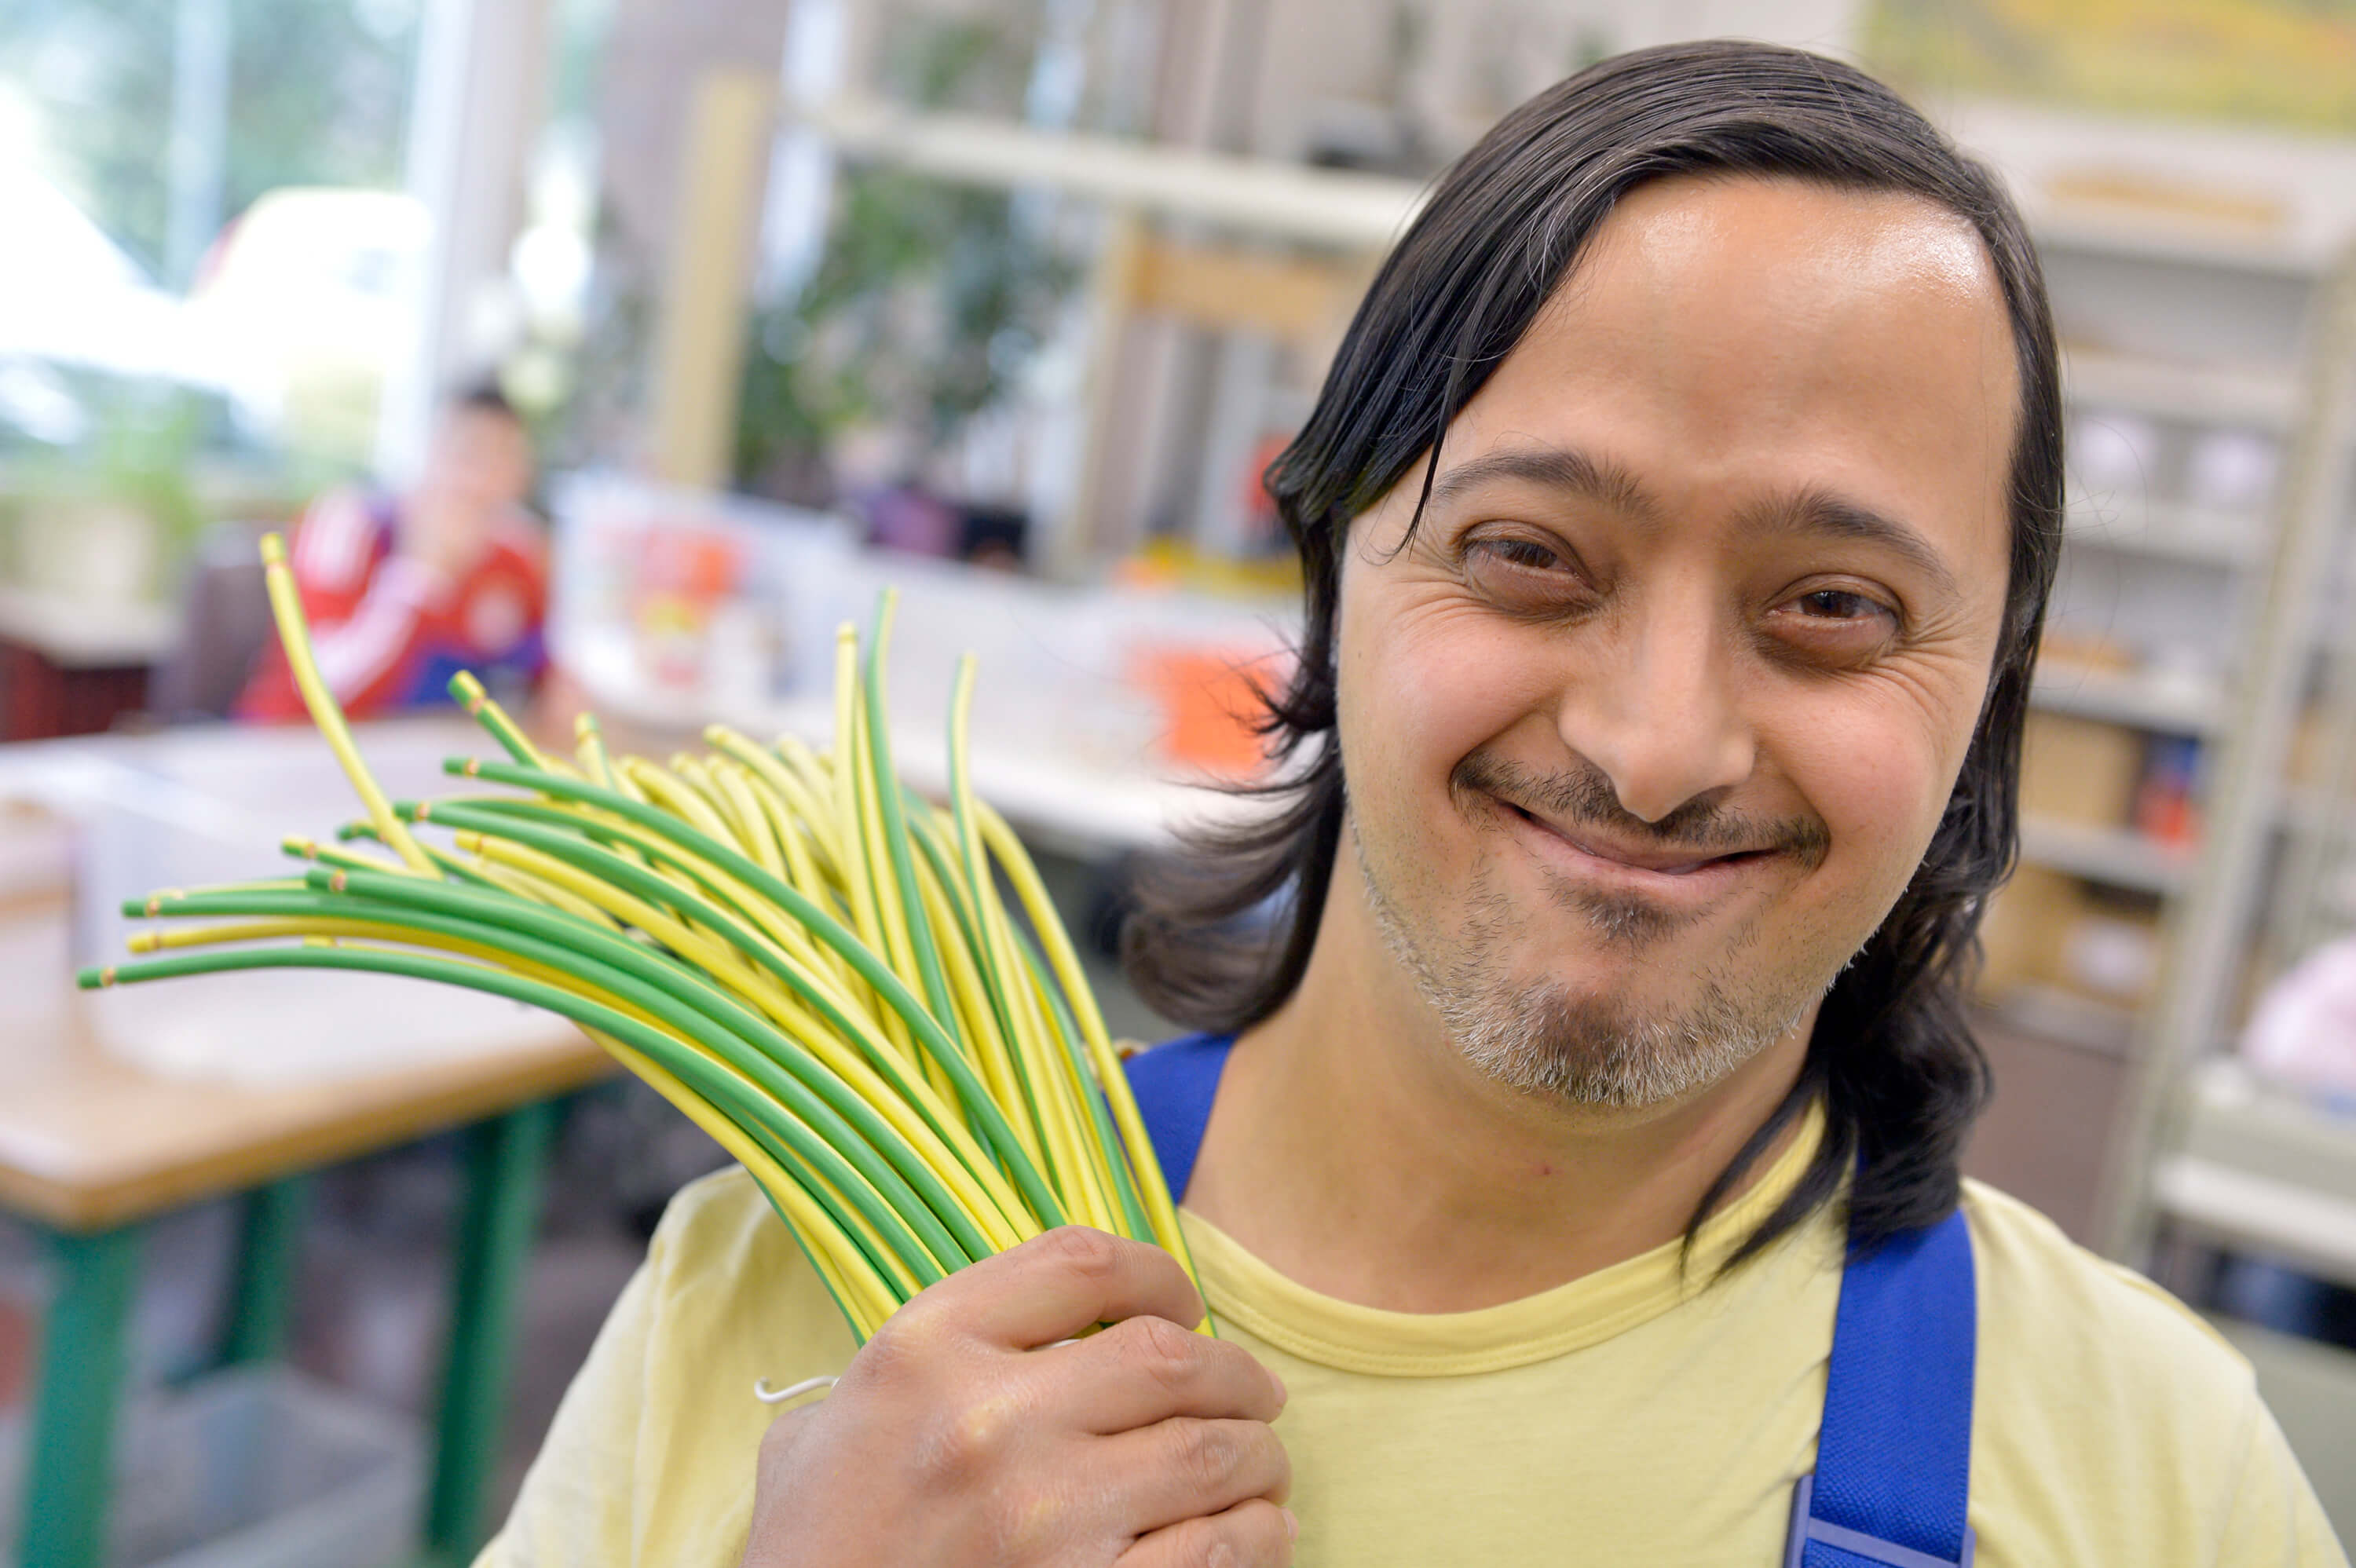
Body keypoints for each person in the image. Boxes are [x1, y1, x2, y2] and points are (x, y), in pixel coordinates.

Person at [479, 42, 2346, 1568]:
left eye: (1833, 607)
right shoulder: (806, 1304)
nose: (1656, 746)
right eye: (1529, 552)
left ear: (1989, 688)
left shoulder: (2153, 1477)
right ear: (1328, 579)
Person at [237, 381, 547, 721]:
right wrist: (418, 576)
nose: (481, 481)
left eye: (503, 460)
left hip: (430, 746)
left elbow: (547, 676)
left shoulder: (517, 554)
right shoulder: (349, 524)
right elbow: (319, 688)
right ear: (432, 453)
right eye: (468, 455)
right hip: (295, 738)